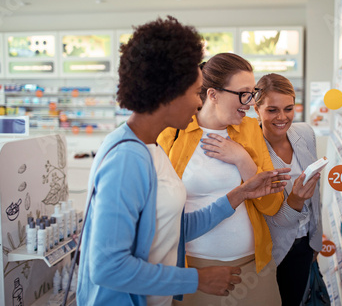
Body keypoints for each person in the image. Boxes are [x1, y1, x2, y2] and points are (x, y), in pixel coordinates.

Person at [76, 17, 290, 306]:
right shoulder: (127, 158)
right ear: (169, 93)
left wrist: (240, 193)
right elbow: (107, 267)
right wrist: (197, 280)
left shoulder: (149, 150)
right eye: (194, 92)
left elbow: (170, 228)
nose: (197, 103)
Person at [157, 53, 284, 305]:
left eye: (253, 93)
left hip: (253, 267)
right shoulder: (172, 134)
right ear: (213, 95)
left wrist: (242, 160)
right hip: (193, 269)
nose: (249, 102)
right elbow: (157, 210)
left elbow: (272, 205)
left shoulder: (249, 130)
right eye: (243, 93)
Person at [254, 73, 325, 306]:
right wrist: (294, 199)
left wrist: (315, 241)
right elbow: (264, 213)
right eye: (272, 110)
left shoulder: (305, 133)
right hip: (270, 250)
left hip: (304, 244)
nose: (282, 117)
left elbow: (316, 198)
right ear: (257, 109)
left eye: (288, 108)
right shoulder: (250, 149)